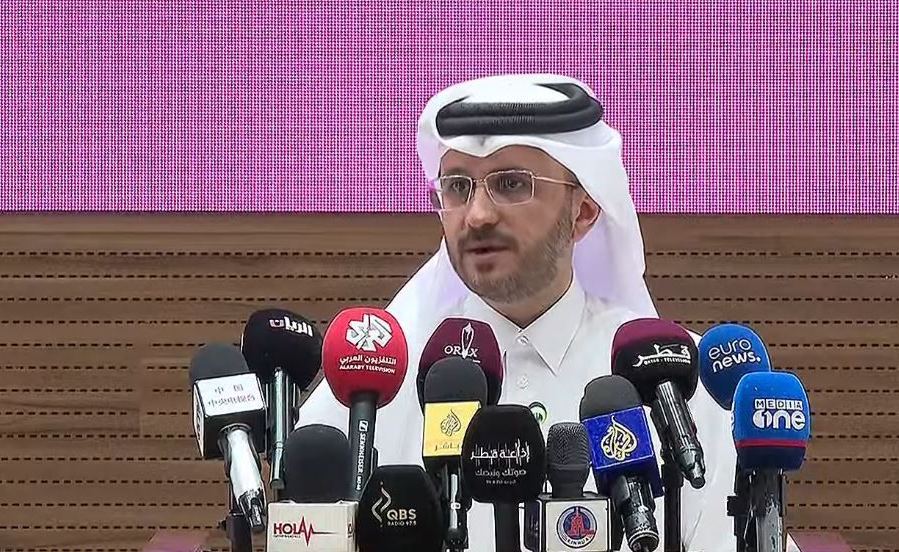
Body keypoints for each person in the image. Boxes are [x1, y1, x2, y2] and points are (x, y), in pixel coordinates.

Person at [297, 73, 735, 551]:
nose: (477, 215)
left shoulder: (677, 383)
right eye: (458, 187)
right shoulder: (377, 384)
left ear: (584, 211)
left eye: (510, 184)